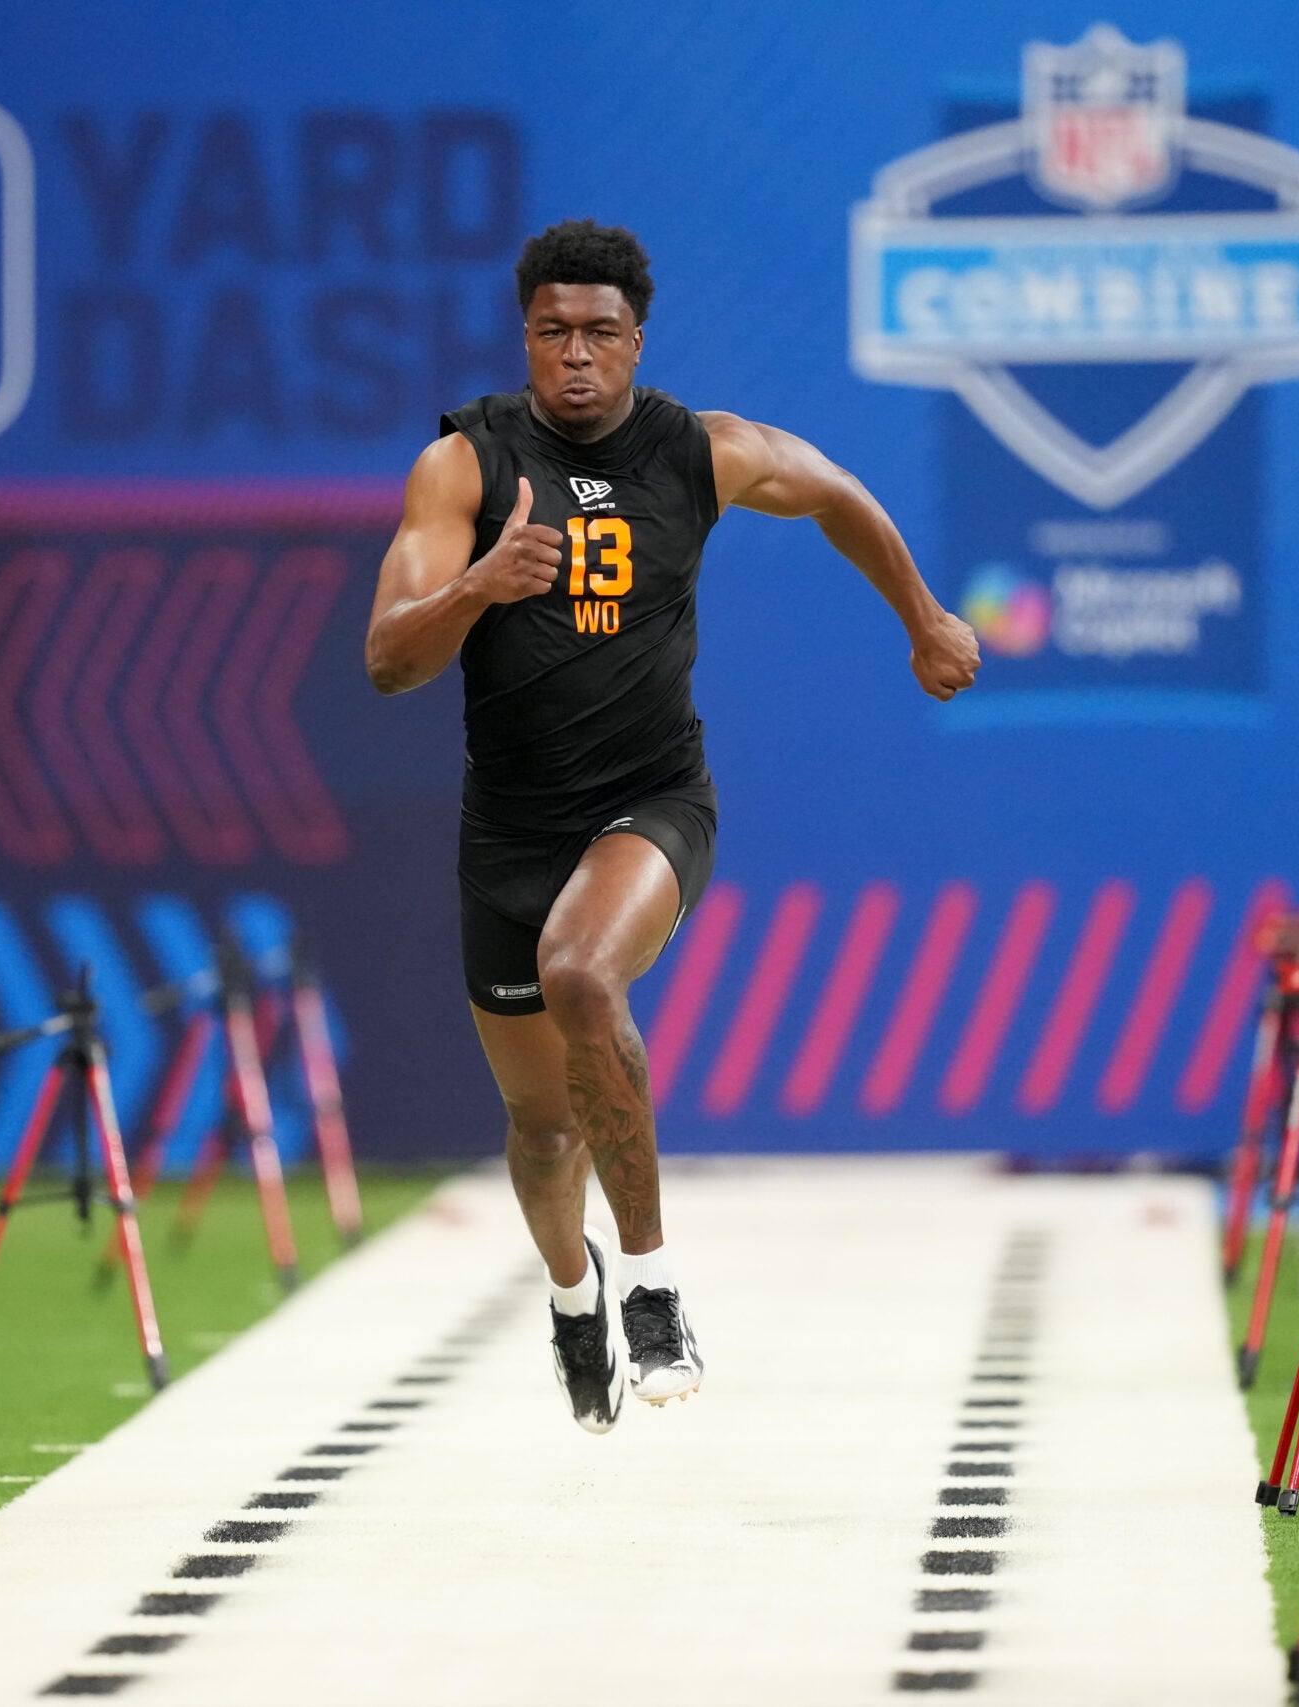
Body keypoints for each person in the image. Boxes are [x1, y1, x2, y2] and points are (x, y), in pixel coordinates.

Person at [364, 221, 979, 1433]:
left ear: (636, 341)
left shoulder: (702, 451)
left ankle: (650, 1286)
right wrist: (478, 585)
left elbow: (839, 496)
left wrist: (922, 617)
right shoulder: (464, 466)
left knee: (583, 972)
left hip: (651, 803)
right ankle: (572, 1295)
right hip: (508, 830)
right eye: (553, 334)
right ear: (526, 340)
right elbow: (388, 660)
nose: (576, 357)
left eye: (599, 333)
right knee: (542, 1129)